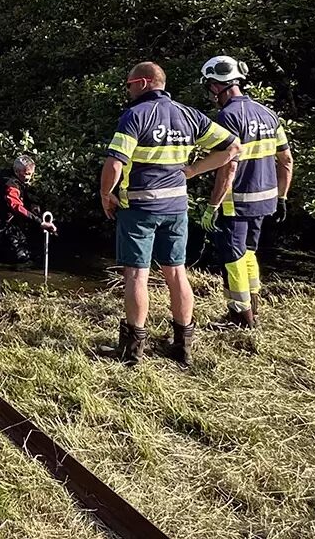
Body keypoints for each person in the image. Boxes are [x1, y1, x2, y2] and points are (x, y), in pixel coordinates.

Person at [99, 62, 240, 366]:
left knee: (136, 274)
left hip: (139, 208)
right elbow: (232, 148)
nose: (128, 89)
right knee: (176, 273)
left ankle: (133, 350)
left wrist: (106, 194)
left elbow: (115, 163)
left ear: (144, 82)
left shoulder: (136, 115)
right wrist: (193, 170)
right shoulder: (189, 115)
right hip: (176, 206)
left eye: (129, 84)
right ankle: (183, 347)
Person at [198, 55, 293, 329]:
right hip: (266, 199)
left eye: (210, 87)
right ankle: (254, 308)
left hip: (236, 201)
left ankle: (240, 317)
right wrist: (282, 196)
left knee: (233, 257)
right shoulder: (268, 114)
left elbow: (228, 166)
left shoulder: (228, 117)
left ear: (216, 85)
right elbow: (286, 160)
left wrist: (212, 206)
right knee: (249, 252)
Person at [0, 154, 57, 265]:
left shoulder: (17, 179)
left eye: (30, 174)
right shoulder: (9, 184)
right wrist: (39, 222)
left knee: (21, 255)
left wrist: (33, 208)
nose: (28, 178)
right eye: (26, 174)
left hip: (6, 222)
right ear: (16, 171)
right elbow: (16, 206)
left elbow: (22, 198)